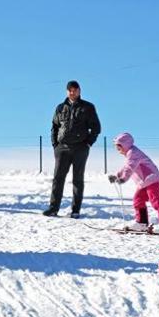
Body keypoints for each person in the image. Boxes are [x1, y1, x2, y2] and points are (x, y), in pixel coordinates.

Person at [43, 80, 101, 218]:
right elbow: (55, 127)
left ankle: (75, 210)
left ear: (79, 90)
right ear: (66, 91)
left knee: (77, 179)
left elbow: (96, 128)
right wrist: (55, 145)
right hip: (62, 148)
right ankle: (53, 208)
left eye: (75, 89)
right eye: (69, 90)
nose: (72, 92)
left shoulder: (88, 107)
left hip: (80, 148)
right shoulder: (60, 108)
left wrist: (88, 143)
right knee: (58, 179)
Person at [107, 132, 159, 234]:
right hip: (144, 183)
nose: (117, 149)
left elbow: (130, 167)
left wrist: (123, 178)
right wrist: (117, 176)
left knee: (157, 201)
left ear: (125, 144)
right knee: (138, 200)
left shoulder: (133, 153)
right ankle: (141, 223)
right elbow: (126, 167)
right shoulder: (130, 154)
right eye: (116, 147)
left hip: (152, 180)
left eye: (119, 146)